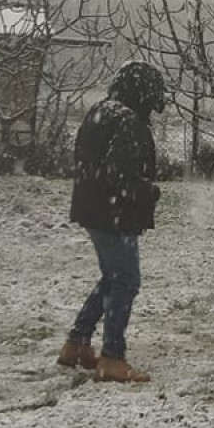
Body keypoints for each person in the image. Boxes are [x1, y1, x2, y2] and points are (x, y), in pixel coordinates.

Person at [56, 61, 167, 383]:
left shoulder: (101, 112)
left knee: (111, 278)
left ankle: (76, 344)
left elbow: (97, 168)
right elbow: (119, 176)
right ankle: (113, 358)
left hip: (93, 210)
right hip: (113, 214)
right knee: (126, 281)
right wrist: (149, 192)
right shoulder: (129, 122)